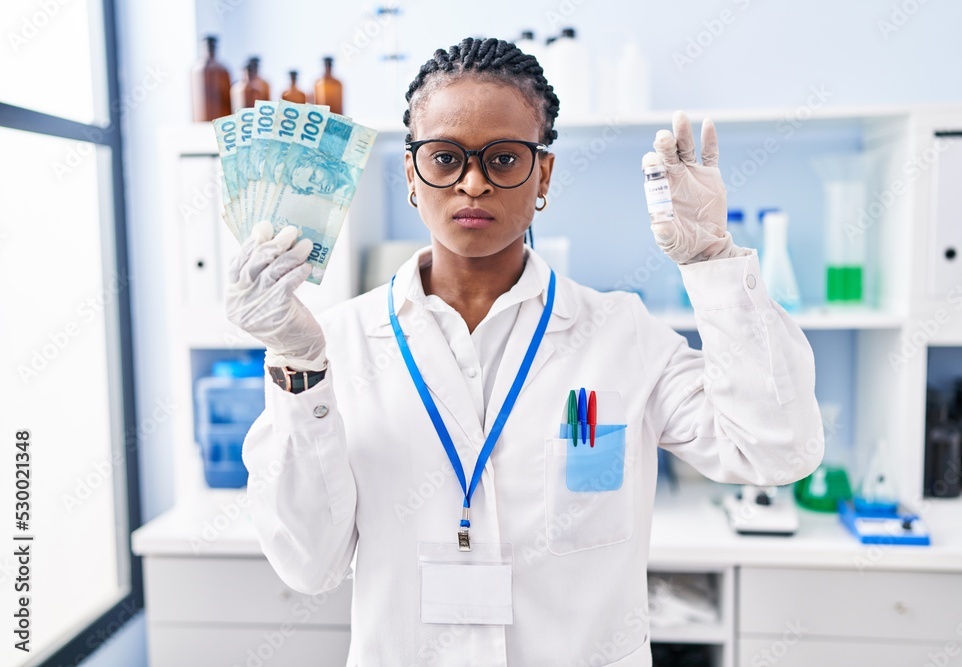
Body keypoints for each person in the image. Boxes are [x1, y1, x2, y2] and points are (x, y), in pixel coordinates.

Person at [226, 36, 823, 667]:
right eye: (446, 158)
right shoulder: (334, 347)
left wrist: (713, 261)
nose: (474, 183)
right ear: (410, 173)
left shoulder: (622, 334)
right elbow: (307, 564)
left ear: (543, 173)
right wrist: (297, 371)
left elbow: (775, 450)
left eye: (504, 159)